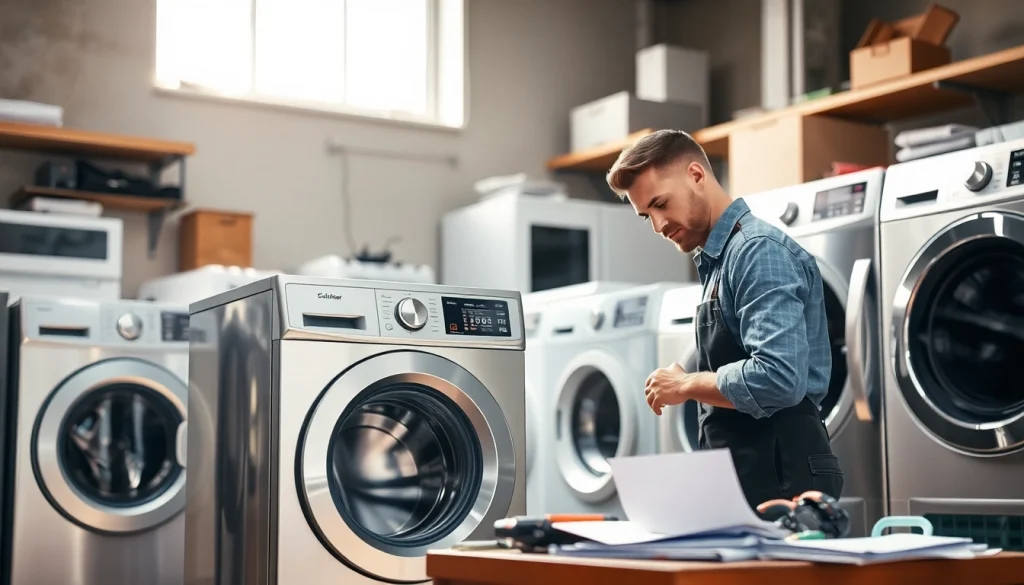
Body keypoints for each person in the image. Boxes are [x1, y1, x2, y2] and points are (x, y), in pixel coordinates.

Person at [605, 129, 844, 509]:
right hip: (752, 473)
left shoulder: (756, 251)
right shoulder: (721, 259)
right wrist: (689, 363)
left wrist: (686, 384)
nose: (658, 225)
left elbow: (779, 378)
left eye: (661, 203)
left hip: (783, 477)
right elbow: (737, 340)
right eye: (646, 215)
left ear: (697, 175)